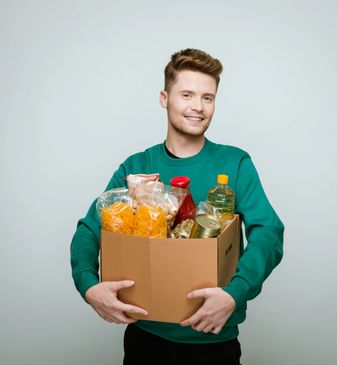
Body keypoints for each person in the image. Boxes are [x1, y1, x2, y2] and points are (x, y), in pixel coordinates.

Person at [70, 48, 284, 365]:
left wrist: (234, 293)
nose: (198, 107)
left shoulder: (235, 162)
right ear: (164, 98)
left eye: (208, 98)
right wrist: (89, 287)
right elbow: (90, 230)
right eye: (187, 94)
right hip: (145, 338)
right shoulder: (137, 166)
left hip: (214, 339)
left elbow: (268, 233)